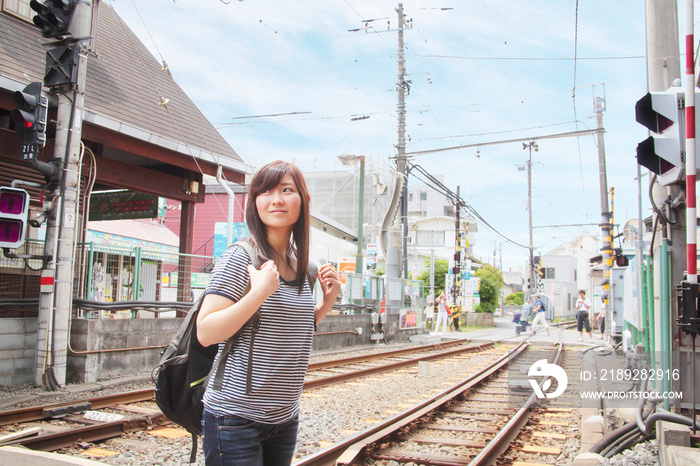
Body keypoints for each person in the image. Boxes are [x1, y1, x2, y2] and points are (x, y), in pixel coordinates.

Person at [196, 160, 341, 465]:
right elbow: (206, 332)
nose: (276, 199)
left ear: (304, 200)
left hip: (284, 418)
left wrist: (324, 306)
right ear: (255, 203)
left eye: (286, 190)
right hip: (234, 418)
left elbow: (284, 325)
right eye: (266, 191)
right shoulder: (241, 258)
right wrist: (259, 292)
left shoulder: (304, 267)